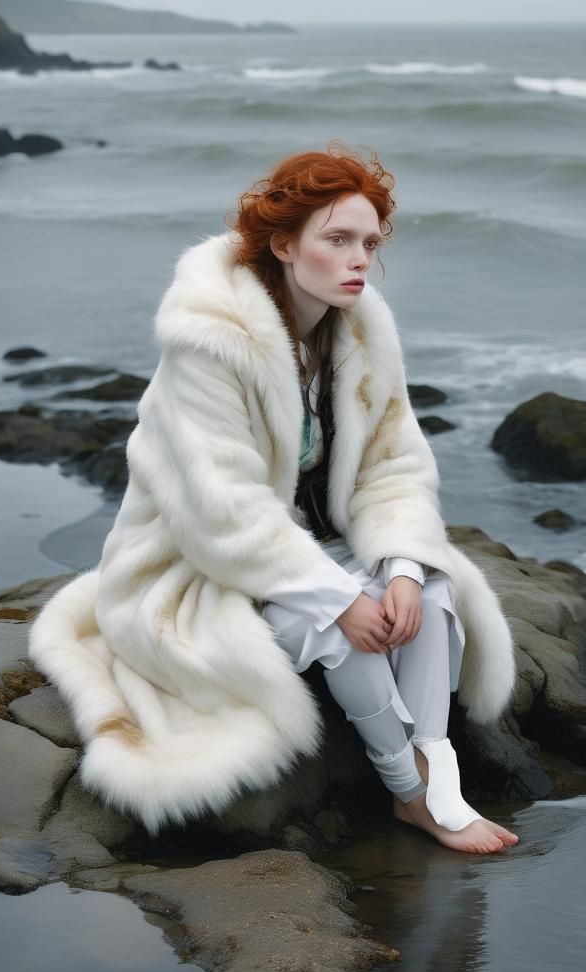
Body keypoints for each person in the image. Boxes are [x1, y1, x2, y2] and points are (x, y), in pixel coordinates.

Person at [28, 143, 518, 855]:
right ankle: (412, 796)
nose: (359, 260)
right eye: (338, 240)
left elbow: (394, 466)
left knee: (430, 595)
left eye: (370, 244)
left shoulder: (361, 330)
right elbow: (223, 508)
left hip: (313, 540)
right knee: (337, 628)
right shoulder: (210, 341)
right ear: (286, 245)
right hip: (204, 563)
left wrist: (404, 563)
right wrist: (338, 597)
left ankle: (437, 770)